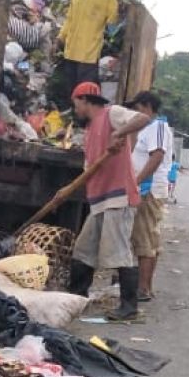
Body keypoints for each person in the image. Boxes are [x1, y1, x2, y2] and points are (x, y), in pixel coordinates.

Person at [65, 81, 152, 319]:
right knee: (84, 250)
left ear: (84, 100)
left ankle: (129, 307)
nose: (76, 110)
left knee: (119, 252)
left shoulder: (112, 114)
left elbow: (143, 119)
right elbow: (90, 169)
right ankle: (77, 295)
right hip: (99, 200)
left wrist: (120, 132)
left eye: (76, 104)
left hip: (118, 198)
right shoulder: (90, 130)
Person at [128, 91, 174, 302]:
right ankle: (144, 286)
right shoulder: (152, 128)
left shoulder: (156, 127)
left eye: (136, 109)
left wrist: (136, 182)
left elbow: (157, 156)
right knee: (149, 239)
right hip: (149, 188)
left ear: (146, 107)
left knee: (144, 239)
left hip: (149, 189)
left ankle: (143, 288)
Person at [57, 0, 119, 91]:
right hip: (70, 52)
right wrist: (60, 37)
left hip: (89, 56)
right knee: (71, 92)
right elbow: (69, 19)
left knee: (85, 94)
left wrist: (113, 37)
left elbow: (112, 23)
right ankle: (72, 112)